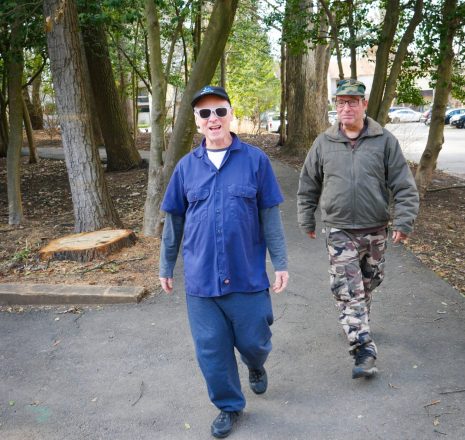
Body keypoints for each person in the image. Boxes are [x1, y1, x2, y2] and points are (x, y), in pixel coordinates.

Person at [159, 85, 289, 438]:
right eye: (205, 113)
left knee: (255, 341)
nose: (213, 118)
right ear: (197, 122)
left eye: (219, 111)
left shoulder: (256, 161)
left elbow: (270, 217)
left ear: (231, 114)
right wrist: (165, 266)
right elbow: (174, 223)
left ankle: (256, 365)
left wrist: (280, 262)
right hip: (202, 282)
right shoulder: (186, 168)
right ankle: (229, 406)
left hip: (246, 277)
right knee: (212, 353)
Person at [297, 79, 419, 379]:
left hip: (375, 228)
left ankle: (357, 320)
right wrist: (306, 218)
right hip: (339, 229)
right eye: (340, 102)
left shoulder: (384, 140)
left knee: (368, 282)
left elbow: (404, 185)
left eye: (353, 101)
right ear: (335, 105)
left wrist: (403, 221)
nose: (346, 107)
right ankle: (363, 348)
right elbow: (308, 184)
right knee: (347, 289)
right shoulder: (324, 142)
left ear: (364, 105)